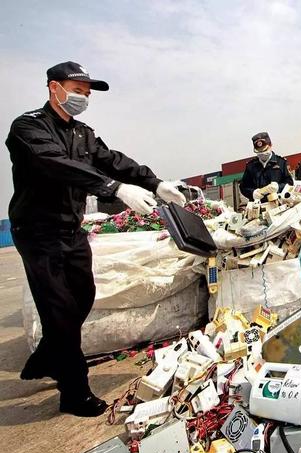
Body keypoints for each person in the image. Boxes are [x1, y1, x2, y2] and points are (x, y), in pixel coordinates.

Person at [5, 61, 186, 417]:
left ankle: (47, 355)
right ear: (54, 87)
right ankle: (73, 392)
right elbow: (55, 164)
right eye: (77, 90)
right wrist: (114, 188)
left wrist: (155, 183)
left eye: (86, 93)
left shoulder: (83, 134)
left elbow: (113, 160)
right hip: (38, 233)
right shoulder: (28, 127)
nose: (82, 98)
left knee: (82, 298)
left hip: (70, 230)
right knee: (58, 309)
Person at [240, 132, 293, 201]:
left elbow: (290, 183)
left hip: (279, 203)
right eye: (259, 152)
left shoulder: (281, 162)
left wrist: (278, 187)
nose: (262, 153)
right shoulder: (251, 166)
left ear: (270, 145)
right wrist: (253, 193)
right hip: (259, 206)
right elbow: (243, 187)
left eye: (264, 150)